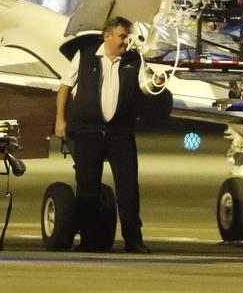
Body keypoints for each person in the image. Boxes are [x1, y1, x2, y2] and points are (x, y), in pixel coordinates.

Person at [55, 16, 163, 254]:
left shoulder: (134, 60)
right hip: (87, 131)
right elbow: (64, 88)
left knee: (128, 187)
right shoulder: (84, 56)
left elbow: (147, 87)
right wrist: (60, 120)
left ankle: (133, 239)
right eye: (123, 37)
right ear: (108, 36)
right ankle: (88, 240)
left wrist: (157, 80)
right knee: (87, 187)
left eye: (128, 37)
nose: (126, 42)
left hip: (120, 133)